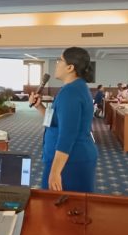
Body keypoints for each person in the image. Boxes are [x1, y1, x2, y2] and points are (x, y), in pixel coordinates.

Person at [29, 47, 98, 192]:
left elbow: (67, 134)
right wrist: (39, 106)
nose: (56, 64)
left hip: (70, 161)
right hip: (70, 159)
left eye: (60, 60)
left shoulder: (71, 92)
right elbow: (56, 120)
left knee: (61, 204)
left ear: (70, 67)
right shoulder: (73, 88)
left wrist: (55, 172)